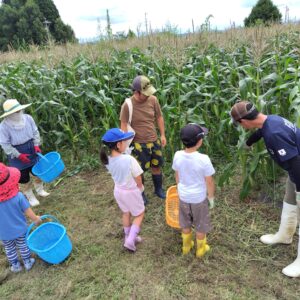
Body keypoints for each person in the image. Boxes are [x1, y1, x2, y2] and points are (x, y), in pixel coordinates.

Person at [230, 100, 300, 278]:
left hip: (298, 169)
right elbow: (261, 131)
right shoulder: (271, 120)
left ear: (243, 122)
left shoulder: (274, 134)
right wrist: (249, 142)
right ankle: (285, 235)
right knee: (290, 201)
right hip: (296, 169)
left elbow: (295, 164)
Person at [120, 75, 167, 204]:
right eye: (144, 94)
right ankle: (140, 194)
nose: (147, 96)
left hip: (153, 140)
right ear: (136, 92)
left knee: (156, 166)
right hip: (138, 144)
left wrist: (162, 135)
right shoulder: (127, 105)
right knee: (138, 172)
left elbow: (159, 117)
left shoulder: (153, 100)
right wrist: (124, 145)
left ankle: (158, 189)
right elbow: (123, 124)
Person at [172, 123, 215, 258]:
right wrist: (211, 197)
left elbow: (177, 174)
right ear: (200, 141)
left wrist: (180, 188)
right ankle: (200, 250)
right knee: (201, 225)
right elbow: (209, 181)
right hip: (199, 199)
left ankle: (186, 246)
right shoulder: (203, 159)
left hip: (183, 196)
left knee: (185, 223)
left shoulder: (177, 155)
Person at [100, 128, 145, 252]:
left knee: (126, 213)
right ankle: (131, 240)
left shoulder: (107, 160)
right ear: (119, 145)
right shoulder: (129, 159)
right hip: (131, 191)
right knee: (139, 214)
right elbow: (138, 178)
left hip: (118, 191)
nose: (126, 144)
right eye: (124, 142)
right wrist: (140, 188)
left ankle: (127, 236)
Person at [0, 99, 50, 207]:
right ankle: (30, 197)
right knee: (23, 177)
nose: (19, 113)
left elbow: (35, 132)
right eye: (16, 112)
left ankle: (40, 190)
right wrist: (18, 155)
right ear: (9, 114)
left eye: (19, 110)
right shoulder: (3, 126)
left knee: (37, 172)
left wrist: (36, 144)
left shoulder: (28, 118)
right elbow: (5, 144)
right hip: (16, 152)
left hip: (31, 147)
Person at [0, 163, 41, 273]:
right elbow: (28, 211)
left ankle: (15, 265)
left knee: (9, 248)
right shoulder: (19, 197)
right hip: (20, 228)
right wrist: (36, 219)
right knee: (23, 244)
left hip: (3, 232)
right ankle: (27, 262)